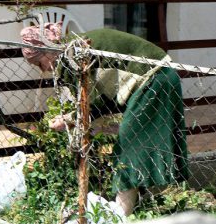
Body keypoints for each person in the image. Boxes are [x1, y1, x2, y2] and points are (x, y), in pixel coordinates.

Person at [21, 25, 189, 216]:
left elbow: (90, 103)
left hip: (154, 78)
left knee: (128, 145)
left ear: (46, 53)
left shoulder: (70, 58)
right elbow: (99, 100)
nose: (42, 70)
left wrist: (70, 120)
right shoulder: (73, 48)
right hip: (160, 75)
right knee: (138, 140)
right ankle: (146, 203)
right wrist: (74, 118)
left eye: (38, 64)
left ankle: (121, 214)